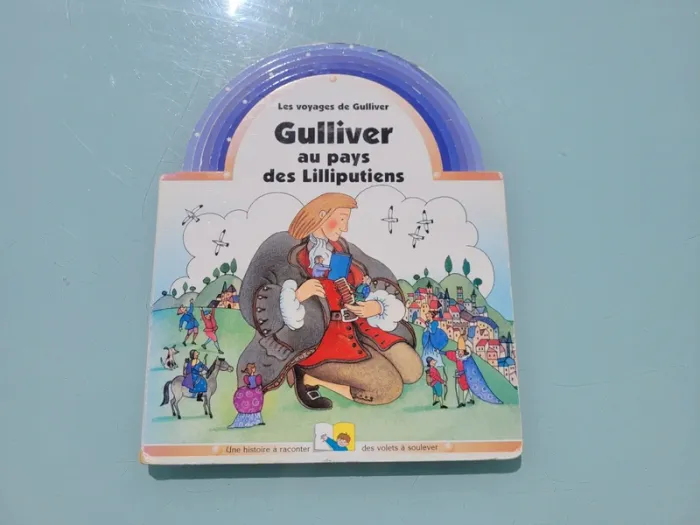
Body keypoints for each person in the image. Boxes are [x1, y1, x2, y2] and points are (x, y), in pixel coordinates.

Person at [235, 192, 422, 411]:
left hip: (358, 327)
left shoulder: (342, 247)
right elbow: (253, 296)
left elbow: (376, 276)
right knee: (388, 387)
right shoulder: (282, 245)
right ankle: (310, 378)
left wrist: (377, 306)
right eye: (341, 219)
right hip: (318, 340)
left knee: (413, 370)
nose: (345, 227)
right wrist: (296, 296)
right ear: (321, 215)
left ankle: (354, 360)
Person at [440, 335, 475, 407]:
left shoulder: (467, 359)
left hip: (467, 376)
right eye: (458, 351)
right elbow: (450, 354)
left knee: (466, 388)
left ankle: (464, 402)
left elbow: (469, 368)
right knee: (464, 388)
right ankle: (469, 400)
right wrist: (442, 352)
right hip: (460, 376)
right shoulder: (457, 357)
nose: (459, 353)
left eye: (461, 351)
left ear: (464, 351)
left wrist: (462, 372)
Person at [229, 363, 265, 428]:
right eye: (253, 368)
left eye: (254, 368)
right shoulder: (248, 377)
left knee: (256, 403)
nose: (254, 369)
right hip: (252, 390)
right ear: (251, 369)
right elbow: (251, 383)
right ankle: (250, 420)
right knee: (249, 400)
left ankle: (257, 420)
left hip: (255, 391)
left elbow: (257, 383)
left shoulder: (256, 377)